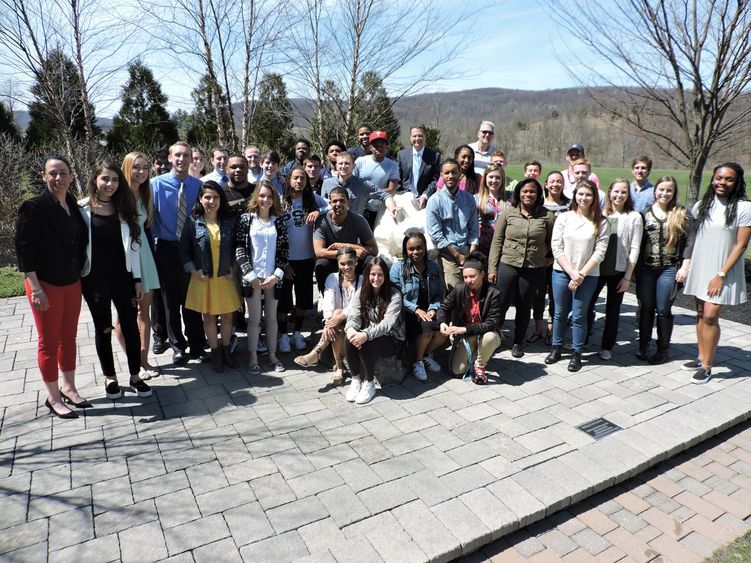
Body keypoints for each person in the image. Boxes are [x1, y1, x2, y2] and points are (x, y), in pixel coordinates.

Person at [15, 156, 89, 418]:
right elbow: (24, 251)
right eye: (53, 173)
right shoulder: (34, 207)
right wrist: (36, 289)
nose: (59, 178)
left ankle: (69, 387)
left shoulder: (70, 202)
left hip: (71, 281)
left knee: (69, 337)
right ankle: (53, 397)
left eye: (63, 173)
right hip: (45, 285)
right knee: (49, 342)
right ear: (44, 176)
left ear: (71, 176)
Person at [79, 162, 151, 400]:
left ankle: (134, 375)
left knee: (130, 327)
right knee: (104, 328)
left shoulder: (124, 209)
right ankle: (110, 377)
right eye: (105, 179)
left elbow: (135, 247)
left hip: (124, 278)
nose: (110, 184)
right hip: (94, 280)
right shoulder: (82, 210)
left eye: (115, 180)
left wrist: (138, 279)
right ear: (95, 180)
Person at [682, 163, 751, 383]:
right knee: (701, 314)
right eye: (719, 178)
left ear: (737, 182)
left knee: (711, 316)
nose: (722, 182)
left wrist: (721, 275)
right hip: (701, 268)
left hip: (723, 271)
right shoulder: (702, 205)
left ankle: (708, 367)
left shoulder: (743, 208)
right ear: (713, 179)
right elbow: (694, 238)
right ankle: (701, 357)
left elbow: (741, 245)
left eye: (729, 179)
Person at [151, 141, 207, 364]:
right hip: (167, 248)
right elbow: (148, 216)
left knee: (193, 299)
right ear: (170, 157)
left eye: (186, 155)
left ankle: (197, 344)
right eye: (178, 155)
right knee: (170, 301)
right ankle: (177, 346)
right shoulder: (155, 185)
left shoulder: (199, 185)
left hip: (193, 250)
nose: (182, 159)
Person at [546, 180, 609, 372]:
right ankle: (556, 347)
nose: (584, 198)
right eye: (580, 194)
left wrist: (581, 275)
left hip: (588, 276)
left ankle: (576, 352)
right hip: (562, 272)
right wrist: (572, 273)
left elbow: (600, 252)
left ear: (594, 198)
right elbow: (556, 247)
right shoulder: (564, 218)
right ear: (575, 195)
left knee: (580, 315)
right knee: (559, 313)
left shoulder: (601, 221)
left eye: (588, 195)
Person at [488, 178, 555, 358]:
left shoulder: (547, 217)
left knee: (524, 305)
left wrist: (549, 258)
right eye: (524, 191)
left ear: (538, 194)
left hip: (533, 267)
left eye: (532, 191)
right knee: (499, 304)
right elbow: (497, 241)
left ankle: (518, 341)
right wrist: (492, 269)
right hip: (508, 264)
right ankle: (493, 338)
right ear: (518, 193)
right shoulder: (508, 214)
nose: (528, 195)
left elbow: (555, 242)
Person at [180, 181, 241, 372]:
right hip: (203, 278)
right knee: (208, 318)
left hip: (226, 277)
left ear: (221, 200)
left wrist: (234, 267)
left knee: (228, 317)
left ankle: (226, 351)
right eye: (207, 197)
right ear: (200, 199)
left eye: (215, 197)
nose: (211, 201)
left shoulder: (230, 221)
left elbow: (238, 247)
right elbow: (183, 250)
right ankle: (215, 353)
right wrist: (193, 270)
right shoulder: (192, 222)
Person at [635, 176, 693, 365]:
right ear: (655, 191)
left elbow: (690, 242)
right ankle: (643, 345)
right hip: (646, 268)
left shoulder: (682, 214)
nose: (664, 193)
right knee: (645, 308)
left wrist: (685, 266)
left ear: (674, 193)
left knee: (663, 309)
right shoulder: (644, 214)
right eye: (661, 189)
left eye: (669, 190)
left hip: (669, 268)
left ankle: (662, 349)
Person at [585, 178, 643, 360]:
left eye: (624, 192)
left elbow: (635, 248)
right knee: (587, 305)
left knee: (612, 310)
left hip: (618, 272)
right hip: (596, 270)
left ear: (628, 195)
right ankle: (583, 339)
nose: (619, 195)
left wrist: (627, 277)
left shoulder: (634, 217)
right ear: (609, 192)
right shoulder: (598, 213)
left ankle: (607, 346)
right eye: (616, 191)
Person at [116, 152, 161, 380]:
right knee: (124, 316)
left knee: (145, 313)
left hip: (144, 256)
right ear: (127, 168)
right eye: (136, 167)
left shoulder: (146, 194)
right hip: (123, 259)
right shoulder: (116, 195)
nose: (141, 172)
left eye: (145, 167)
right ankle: (132, 359)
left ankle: (143, 361)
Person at [236, 180, 289, 375]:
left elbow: (284, 250)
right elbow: (240, 248)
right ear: (256, 197)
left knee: (272, 318)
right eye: (262, 196)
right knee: (254, 319)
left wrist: (277, 275)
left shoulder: (279, 220)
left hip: (273, 279)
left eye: (269, 196)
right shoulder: (246, 219)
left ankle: (273, 356)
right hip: (253, 278)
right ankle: (253, 358)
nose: (266, 200)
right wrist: (250, 275)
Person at [294, 246, 362, 385]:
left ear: (356, 262)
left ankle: (318, 355)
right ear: (338, 264)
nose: (347, 267)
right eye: (342, 264)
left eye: (350, 262)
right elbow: (328, 301)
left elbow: (357, 305)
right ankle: (338, 365)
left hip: (358, 318)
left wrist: (339, 316)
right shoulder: (332, 278)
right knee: (335, 316)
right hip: (336, 321)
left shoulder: (362, 280)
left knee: (337, 315)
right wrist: (328, 321)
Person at [278, 166, 326, 353]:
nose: (299, 182)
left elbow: (332, 204)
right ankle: (283, 335)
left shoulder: (312, 200)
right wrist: (284, 263)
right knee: (283, 300)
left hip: (306, 259)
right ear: (289, 180)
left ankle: (297, 333)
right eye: (296, 178)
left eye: (302, 179)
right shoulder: (281, 202)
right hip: (285, 260)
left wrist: (319, 211)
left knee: (303, 299)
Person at [344, 257, 404, 404]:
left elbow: (387, 323)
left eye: (380, 274)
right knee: (349, 338)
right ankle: (356, 380)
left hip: (392, 338)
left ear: (385, 275)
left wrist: (366, 334)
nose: (376, 278)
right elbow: (354, 315)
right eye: (372, 274)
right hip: (369, 332)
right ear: (367, 275)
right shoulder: (361, 292)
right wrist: (351, 329)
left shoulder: (394, 294)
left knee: (366, 342)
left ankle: (369, 383)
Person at [389, 231, 446, 381]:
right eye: (411, 249)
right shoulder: (398, 268)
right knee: (427, 329)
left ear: (425, 247)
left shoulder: (433, 267)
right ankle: (418, 362)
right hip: (407, 314)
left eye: (419, 248)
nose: (416, 252)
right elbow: (395, 296)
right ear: (405, 250)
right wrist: (415, 309)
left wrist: (433, 307)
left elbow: (440, 293)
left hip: (429, 311)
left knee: (444, 331)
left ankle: (426, 355)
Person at [437, 252, 501, 384]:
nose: (468, 280)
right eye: (465, 277)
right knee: (457, 371)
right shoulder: (460, 288)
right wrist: (443, 322)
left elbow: (492, 324)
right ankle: (478, 351)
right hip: (468, 335)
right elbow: (444, 308)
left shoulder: (493, 293)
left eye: (472, 276)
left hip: (484, 332)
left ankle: (480, 365)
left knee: (491, 337)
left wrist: (463, 329)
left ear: (482, 274)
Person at [529, 171, 572, 343]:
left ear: (563, 184)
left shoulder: (570, 205)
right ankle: (538, 329)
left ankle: (551, 330)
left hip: (562, 257)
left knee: (556, 296)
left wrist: (555, 257)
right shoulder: (539, 204)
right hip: (540, 257)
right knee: (538, 294)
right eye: (552, 181)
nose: (555, 184)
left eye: (559, 181)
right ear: (546, 184)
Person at [313, 186, 378, 293]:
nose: (338, 204)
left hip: (353, 260)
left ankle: (366, 296)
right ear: (330, 203)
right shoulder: (322, 221)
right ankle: (325, 295)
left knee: (370, 260)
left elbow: (374, 249)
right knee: (321, 264)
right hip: (333, 259)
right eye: (335, 201)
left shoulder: (359, 220)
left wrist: (346, 246)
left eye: (342, 200)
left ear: (349, 202)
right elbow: (319, 251)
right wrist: (349, 251)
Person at [426, 159, 479, 289]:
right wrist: (457, 256)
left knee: (475, 292)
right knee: (456, 293)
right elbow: (436, 235)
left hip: (468, 253)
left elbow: (474, 229)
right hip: (448, 255)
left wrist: (470, 256)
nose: (450, 176)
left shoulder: (469, 199)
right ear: (442, 175)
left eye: (454, 172)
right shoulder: (435, 201)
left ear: (460, 174)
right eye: (447, 173)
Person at [321, 151, 396, 218]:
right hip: (332, 227)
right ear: (336, 166)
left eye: (347, 163)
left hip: (355, 227)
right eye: (340, 163)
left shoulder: (362, 184)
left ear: (353, 166)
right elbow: (322, 205)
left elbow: (385, 195)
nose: (343, 166)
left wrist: (392, 208)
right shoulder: (327, 183)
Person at [396, 124, 441, 209]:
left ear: (425, 137)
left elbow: (435, 180)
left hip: (425, 200)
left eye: (420, 136)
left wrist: (425, 195)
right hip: (404, 198)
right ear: (410, 138)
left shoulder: (434, 156)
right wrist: (401, 195)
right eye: (414, 136)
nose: (417, 139)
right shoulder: (402, 155)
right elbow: (398, 178)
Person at [475, 163, 507, 257]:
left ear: (502, 180)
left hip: (504, 247)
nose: (494, 180)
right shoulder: (476, 199)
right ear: (485, 178)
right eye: (491, 177)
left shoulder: (510, 199)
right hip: (483, 246)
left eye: (498, 177)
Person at [353, 131, 399, 195]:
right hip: (360, 199)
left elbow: (392, 190)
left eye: (382, 145)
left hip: (381, 200)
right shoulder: (360, 161)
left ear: (386, 147)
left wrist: (372, 194)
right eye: (376, 146)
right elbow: (352, 183)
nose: (379, 148)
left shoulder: (393, 165)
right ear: (371, 148)